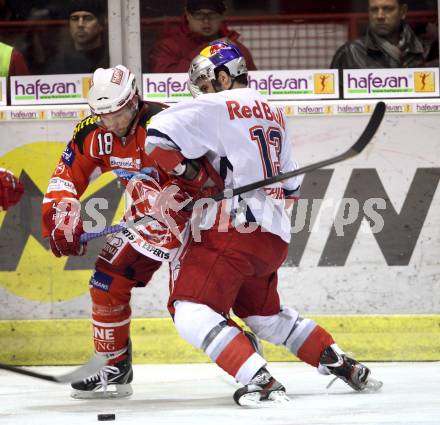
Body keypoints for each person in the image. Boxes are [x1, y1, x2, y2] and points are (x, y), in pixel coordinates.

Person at [145, 40, 383, 407]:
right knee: (264, 315)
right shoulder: (273, 110)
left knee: (189, 308)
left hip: (230, 233)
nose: (203, 92)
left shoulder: (216, 104)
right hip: (271, 238)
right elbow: (291, 187)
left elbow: (155, 137)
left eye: (207, 83)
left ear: (223, 77)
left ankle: (260, 379)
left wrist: (192, 175)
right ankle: (339, 360)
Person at [41, 64, 188, 399]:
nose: (114, 122)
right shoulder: (92, 132)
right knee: (105, 282)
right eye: (104, 114)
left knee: (195, 306)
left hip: (196, 221)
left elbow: (211, 169)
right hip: (146, 224)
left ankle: (245, 357)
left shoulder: (167, 124)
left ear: (134, 100)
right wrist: (62, 214)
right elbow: (65, 178)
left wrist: (190, 196)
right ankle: (114, 364)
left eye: (119, 112)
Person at [147, 0, 256, 73]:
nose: (206, 21)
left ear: (223, 16)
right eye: (199, 15)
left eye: (212, 15)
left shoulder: (236, 48)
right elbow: (164, 80)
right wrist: (209, 51)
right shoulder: (167, 47)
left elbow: (254, 83)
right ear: (188, 15)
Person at [331, 0, 427, 69]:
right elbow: (333, 95)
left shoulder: (425, 50)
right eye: (374, 9)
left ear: (402, 12)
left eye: (388, 9)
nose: (380, 16)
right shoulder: (350, 53)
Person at [43, 0, 109, 74]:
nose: (80, 24)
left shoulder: (113, 58)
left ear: (102, 24)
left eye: (88, 18)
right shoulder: (57, 65)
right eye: (74, 19)